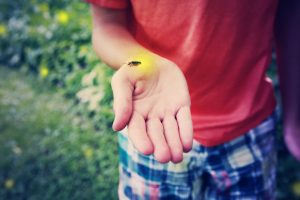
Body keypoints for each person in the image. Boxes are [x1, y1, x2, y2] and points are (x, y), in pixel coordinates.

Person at [86, 0, 300, 199]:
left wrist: (294, 115)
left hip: (250, 124)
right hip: (152, 123)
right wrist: (141, 62)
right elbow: (106, 26)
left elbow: (290, 15)